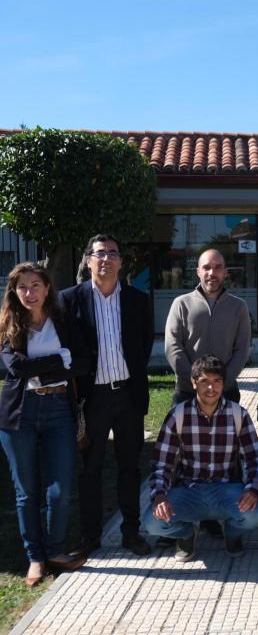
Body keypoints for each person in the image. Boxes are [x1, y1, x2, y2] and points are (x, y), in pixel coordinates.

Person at [60, 235, 154, 559]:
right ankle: (91, 536)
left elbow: (143, 346)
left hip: (127, 395)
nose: (107, 259)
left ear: (121, 262)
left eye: (113, 253)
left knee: (130, 467)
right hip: (92, 398)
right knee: (91, 470)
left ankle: (131, 532)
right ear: (88, 261)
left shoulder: (137, 300)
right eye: (100, 253)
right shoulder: (69, 300)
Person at [0, 263, 89, 587]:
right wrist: (59, 360)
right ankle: (35, 558)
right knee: (26, 491)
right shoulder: (10, 323)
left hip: (57, 410)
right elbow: (17, 368)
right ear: (14, 292)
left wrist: (58, 365)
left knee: (61, 488)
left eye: (35, 285)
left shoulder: (63, 321)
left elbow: (82, 361)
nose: (29, 293)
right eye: (22, 287)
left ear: (47, 288)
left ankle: (54, 550)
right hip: (18, 414)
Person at [142, 355, 258, 561]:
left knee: (254, 516)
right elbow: (162, 463)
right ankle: (186, 535)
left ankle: (232, 534)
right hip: (188, 490)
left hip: (226, 489)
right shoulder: (178, 416)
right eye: (204, 381)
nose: (211, 388)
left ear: (224, 384)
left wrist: (252, 489)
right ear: (193, 383)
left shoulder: (238, 415)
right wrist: (159, 495)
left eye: (217, 382)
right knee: (152, 523)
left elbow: (254, 459)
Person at [165, 249, 251, 406]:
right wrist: (195, 380)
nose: (212, 272)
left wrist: (221, 381)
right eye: (206, 267)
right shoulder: (181, 304)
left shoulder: (239, 307)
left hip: (226, 391)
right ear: (198, 271)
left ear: (225, 272)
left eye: (218, 267)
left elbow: (242, 349)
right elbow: (173, 347)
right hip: (187, 391)